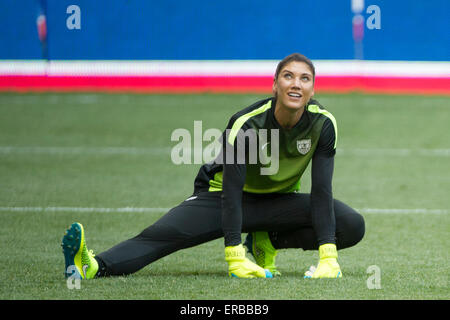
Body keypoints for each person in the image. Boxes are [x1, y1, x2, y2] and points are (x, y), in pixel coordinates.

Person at [62, 53, 365, 280]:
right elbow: (232, 192)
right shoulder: (247, 123)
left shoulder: (324, 124)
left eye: (304, 78)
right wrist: (234, 254)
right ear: (274, 85)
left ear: (313, 88)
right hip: (221, 198)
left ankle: (267, 240)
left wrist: (328, 256)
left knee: (351, 225)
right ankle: (92, 265)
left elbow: (322, 191)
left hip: (277, 204)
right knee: (161, 237)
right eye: (288, 76)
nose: (296, 84)